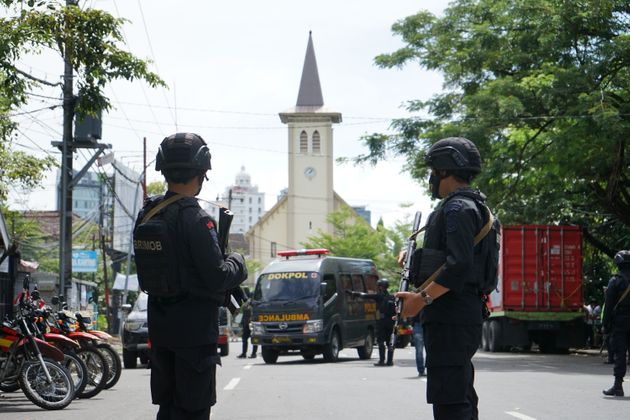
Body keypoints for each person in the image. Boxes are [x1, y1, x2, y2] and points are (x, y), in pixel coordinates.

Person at [134, 132, 248, 420]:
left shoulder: (148, 214)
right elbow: (218, 276)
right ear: (201, 173)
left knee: (168, 408)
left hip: (161, 331)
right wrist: (237, 260)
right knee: (193, 411)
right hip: (195, 337)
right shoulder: (195, 218)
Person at [396, 137, 497, 419]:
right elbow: (457, 259)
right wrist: (415, 259)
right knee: (460, 392)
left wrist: (421, 299)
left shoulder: (456, 209)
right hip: (461, 313)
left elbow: (459, 265)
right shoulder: (475, 206)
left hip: (450, 315)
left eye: (433, 171)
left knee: (450, 401)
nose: (431, 178)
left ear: (444, 170)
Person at [347, 279, 396, 366]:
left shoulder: (378, 296)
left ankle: (381, 361)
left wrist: (353, 293)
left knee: (381, 341)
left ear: (381, 287)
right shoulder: (392, 297)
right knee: (390, 342)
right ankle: (389, 361)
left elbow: (365, 295)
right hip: (391, 322)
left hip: (381, 322)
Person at [602, 250, 630, 397]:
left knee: (620, 354)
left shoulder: (616, 281)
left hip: (620, 323)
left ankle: (618, 387)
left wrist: (605, 324)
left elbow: (608, 305)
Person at [412, 312, 425, 376]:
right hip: (421, 324)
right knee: (419, 351)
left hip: (418, 325)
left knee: (419, 351)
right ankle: (421, 370)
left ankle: (421, 371)